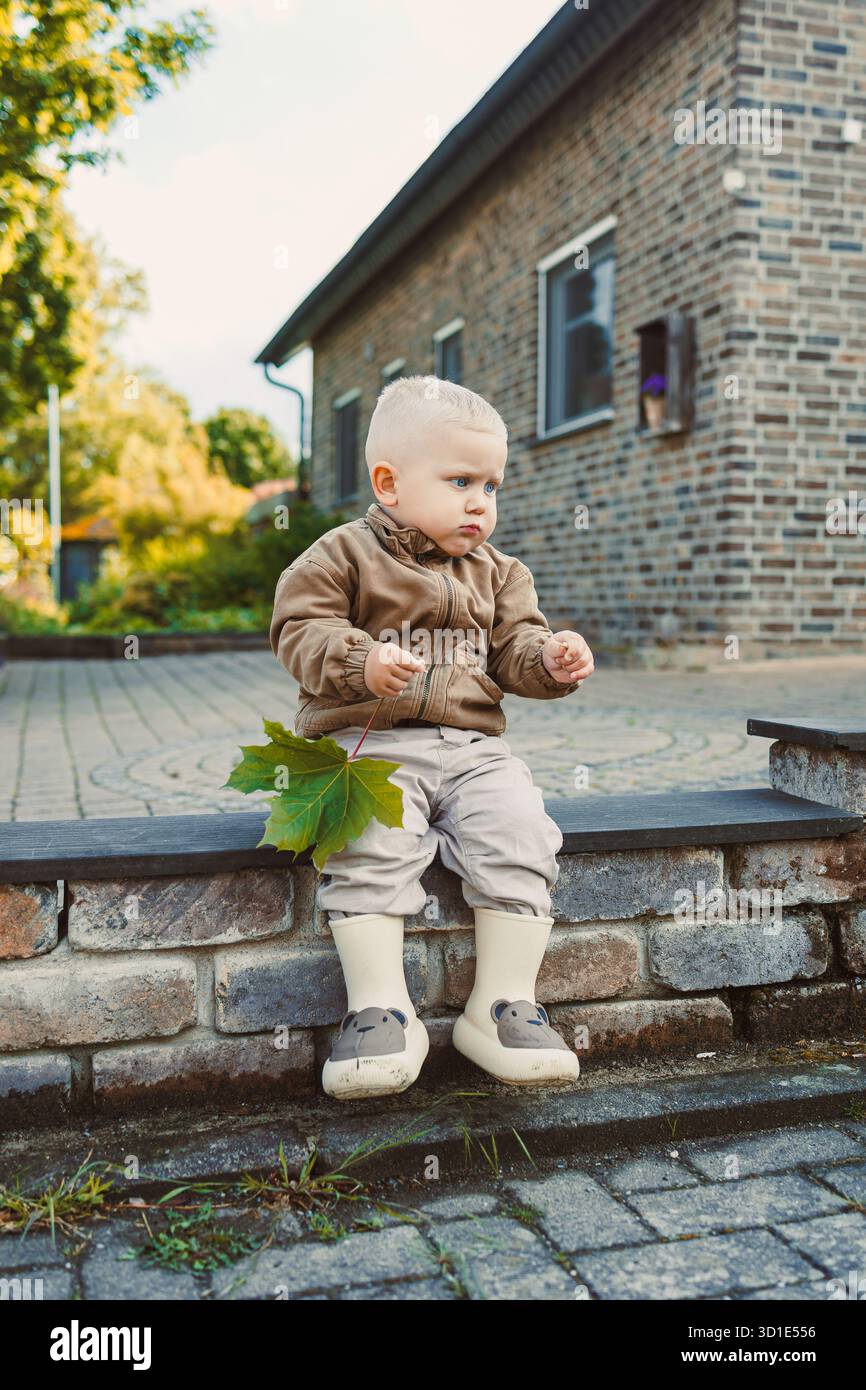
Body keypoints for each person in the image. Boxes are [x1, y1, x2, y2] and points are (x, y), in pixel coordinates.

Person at [270, 375, 595, 1100]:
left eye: (491, 484)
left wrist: (550, 660)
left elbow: (517, 648)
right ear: (389, 482)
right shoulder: (342, 556)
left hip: (474, 750)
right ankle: (379, 1009)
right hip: (371, 743)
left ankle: (504, 1006)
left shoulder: (501, 574)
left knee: (521, 833)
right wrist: (362, 661)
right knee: (371, 843)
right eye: (460, 481)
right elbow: (300, 628)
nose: (481, 501)